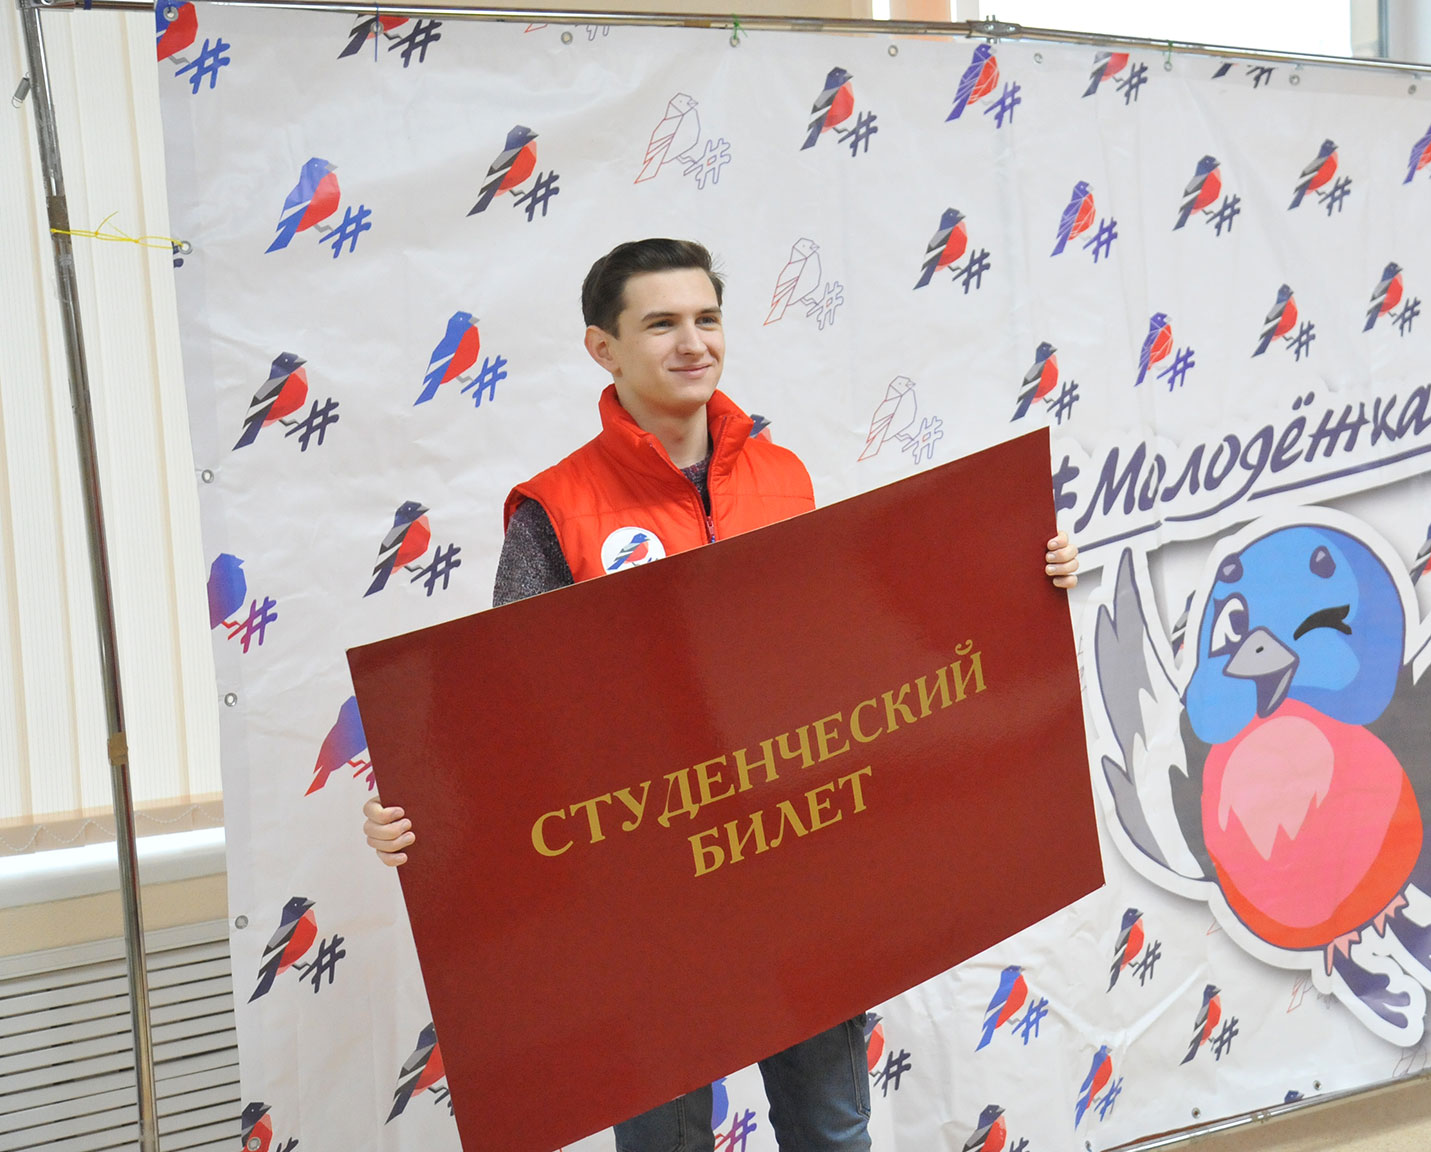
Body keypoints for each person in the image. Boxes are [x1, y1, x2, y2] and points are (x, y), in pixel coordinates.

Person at [361, 238, 1079, 1151]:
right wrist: (424, 811)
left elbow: (844, 655)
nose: (693, 343)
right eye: (661, 323)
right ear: (603, 348)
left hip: (799, 861)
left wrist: (1021, 577)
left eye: (707, 318)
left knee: (832, 1131)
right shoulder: (553, 509)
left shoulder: (784, 477)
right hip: (648, 893)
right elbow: (501, 713)